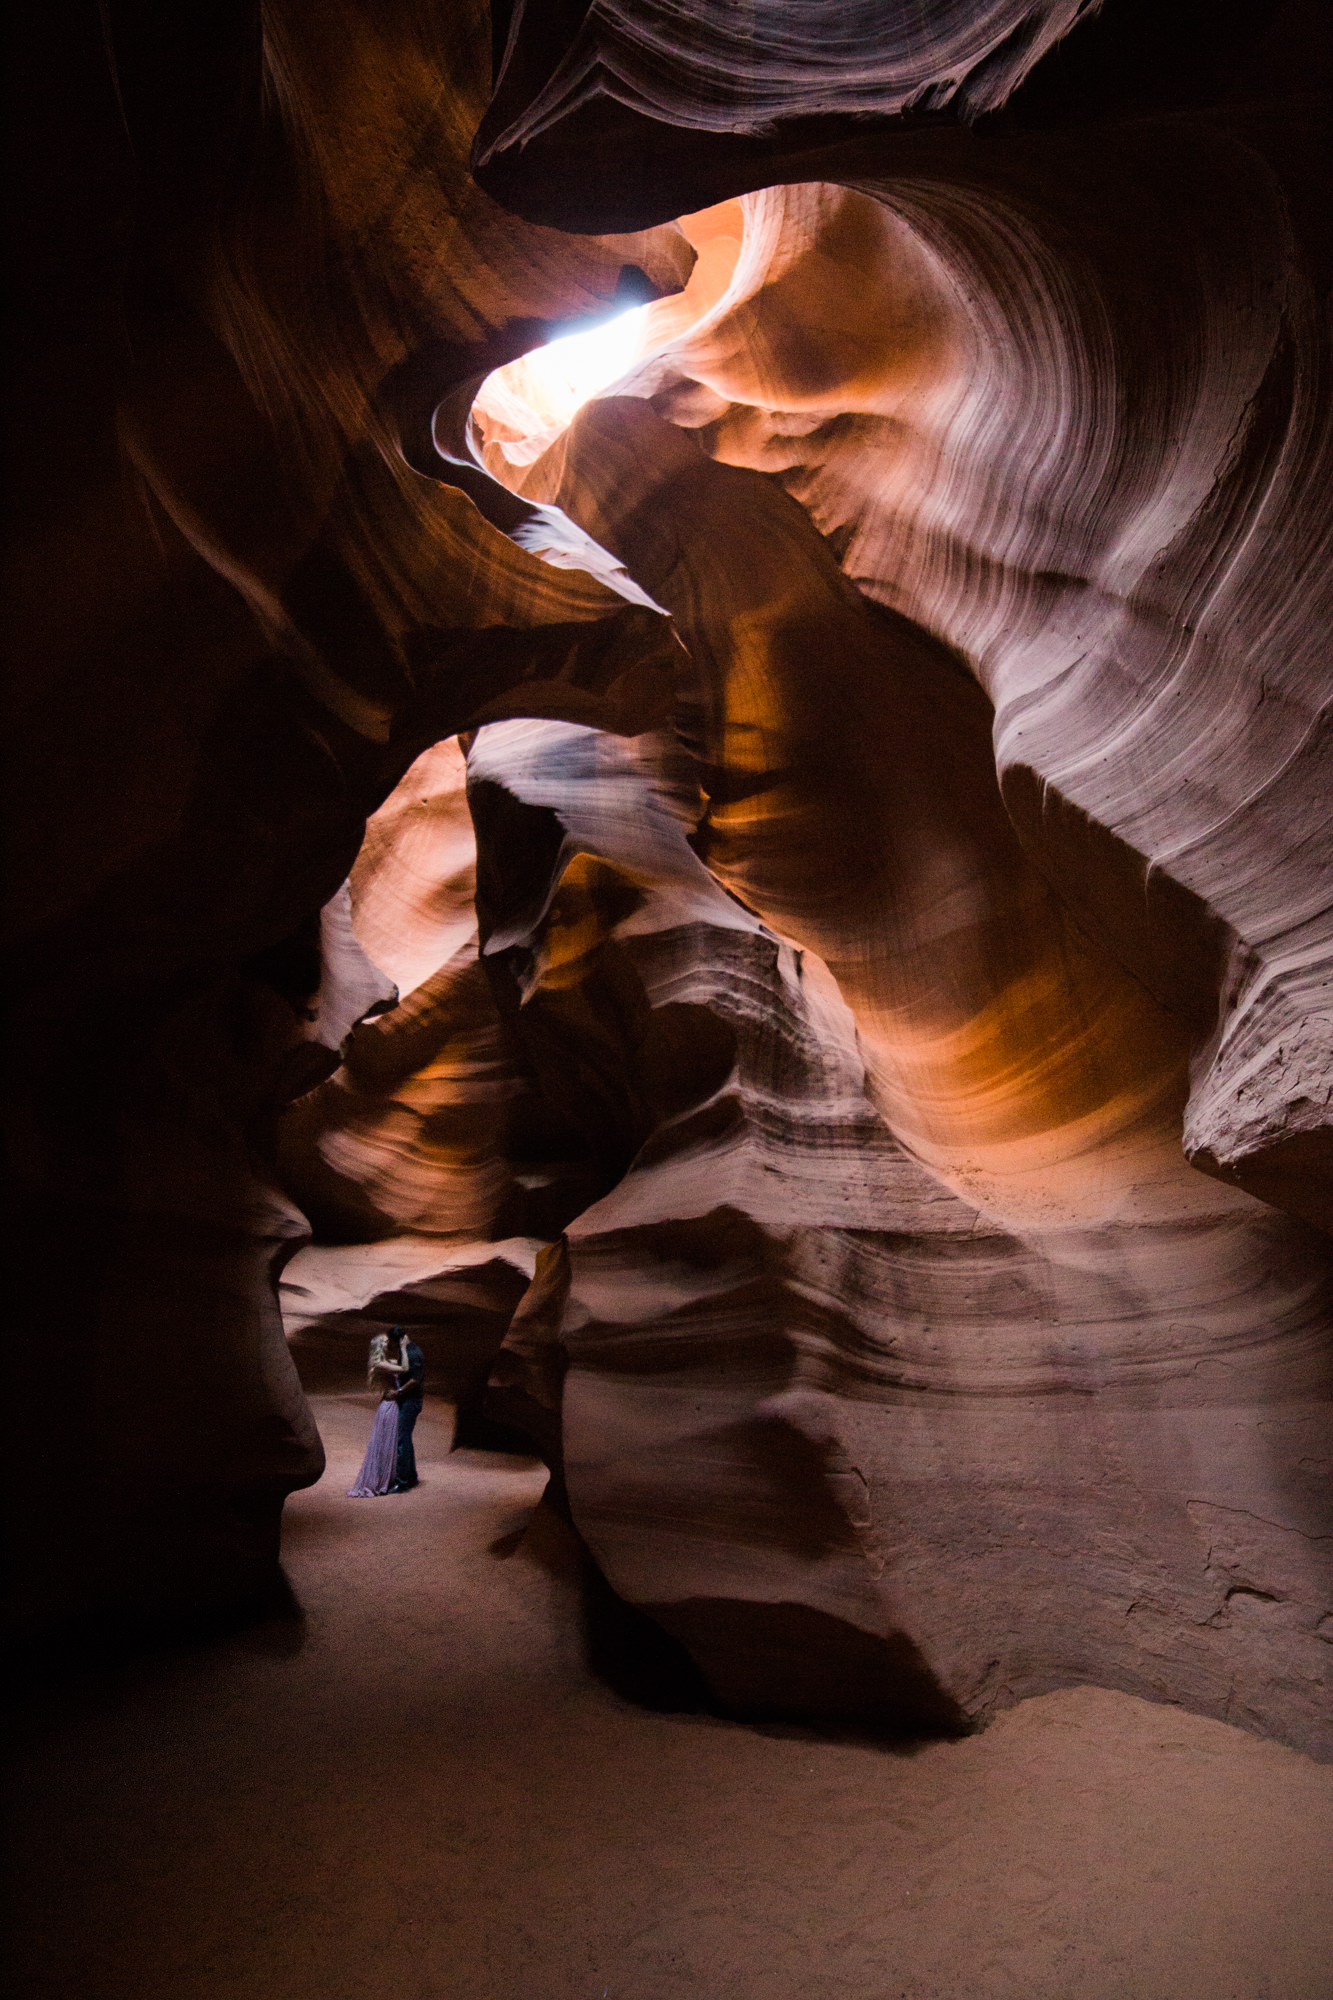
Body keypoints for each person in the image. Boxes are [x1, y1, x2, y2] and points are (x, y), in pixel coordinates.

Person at [346, 1328, 410, 1497]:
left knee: (390, 1443)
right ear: (378, 1347)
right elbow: (404, 1368)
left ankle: (388, 1479)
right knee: (385, 1443)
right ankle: (380, 1481)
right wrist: (403, 1348)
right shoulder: (380, 1364)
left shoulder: (386, 1360)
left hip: (391, 1405)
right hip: (388, 1406)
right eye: (384, 1343)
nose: (387, 1344)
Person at [389, 1330, 426, 1492]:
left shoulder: (413, 1353)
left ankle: (402, 1481)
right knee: (406, 1439)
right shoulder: (411, 1350)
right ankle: (411, 1476)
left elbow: (415, 1379)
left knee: (402, 1441)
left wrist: (399, 1392)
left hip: (411, 1401)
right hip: (409, 1400)